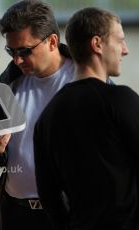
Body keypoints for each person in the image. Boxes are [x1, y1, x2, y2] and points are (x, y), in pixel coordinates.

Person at [33, 7, 138, 230]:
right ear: (97, 44)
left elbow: (48, 194)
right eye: (120, 40)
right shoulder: (121, 100)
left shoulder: (47, 116)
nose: (125, 50)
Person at [0, 0, 75, 229]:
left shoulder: (85, 78)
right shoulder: (8, 83)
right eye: (11, 51)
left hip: (70, 213)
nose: (17, 59)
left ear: (52, 41)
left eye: (25, 50)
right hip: (15, 213)